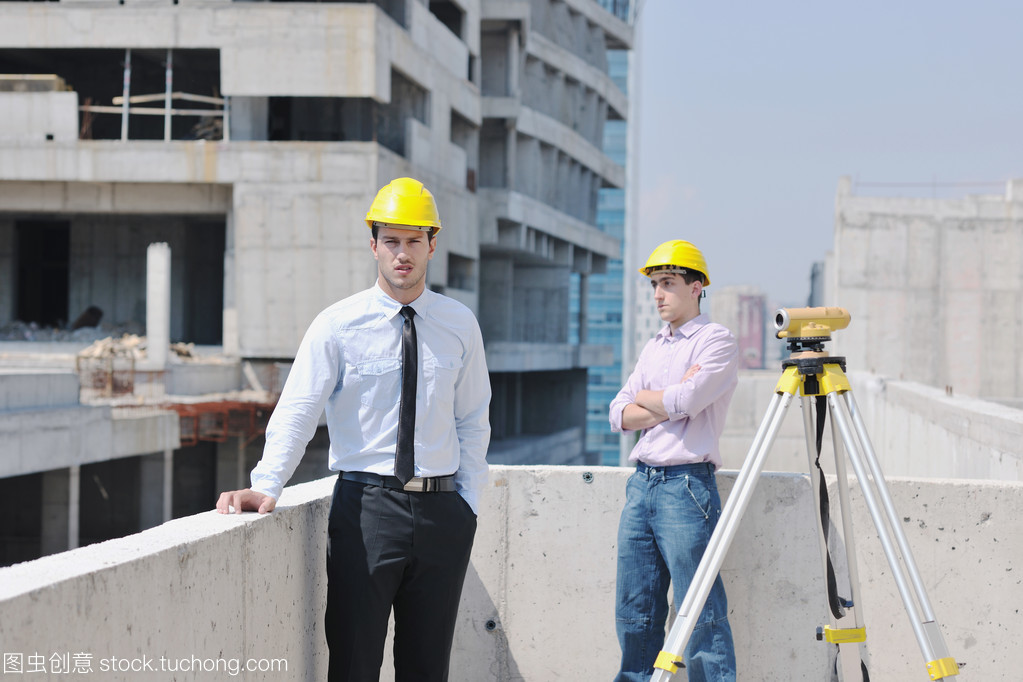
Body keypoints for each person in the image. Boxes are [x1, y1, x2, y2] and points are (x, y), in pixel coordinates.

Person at [216, 177, 491, 681]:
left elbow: (473, 419)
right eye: (391, 241)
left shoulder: (459, 323)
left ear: (432, 244)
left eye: (413, 241)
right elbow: (299, 410)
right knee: (353, 663)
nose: (402, 253)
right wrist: (265, 484)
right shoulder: (338, 324)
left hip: (442, 513)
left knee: (428, 669)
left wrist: (467, 503)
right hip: (367, 510)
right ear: (374, 246)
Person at [609, 239, 739, 682]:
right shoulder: (654, 347)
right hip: (641, 484)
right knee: (634, 610)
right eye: (654, 285)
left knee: (699, 612)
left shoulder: (715, 341)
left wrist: (658, 400)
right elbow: (618, 412)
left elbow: (690, 398)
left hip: (687, 486)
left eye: (668, 283)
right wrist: (666, 400)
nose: (658, 294)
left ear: (697, 286)